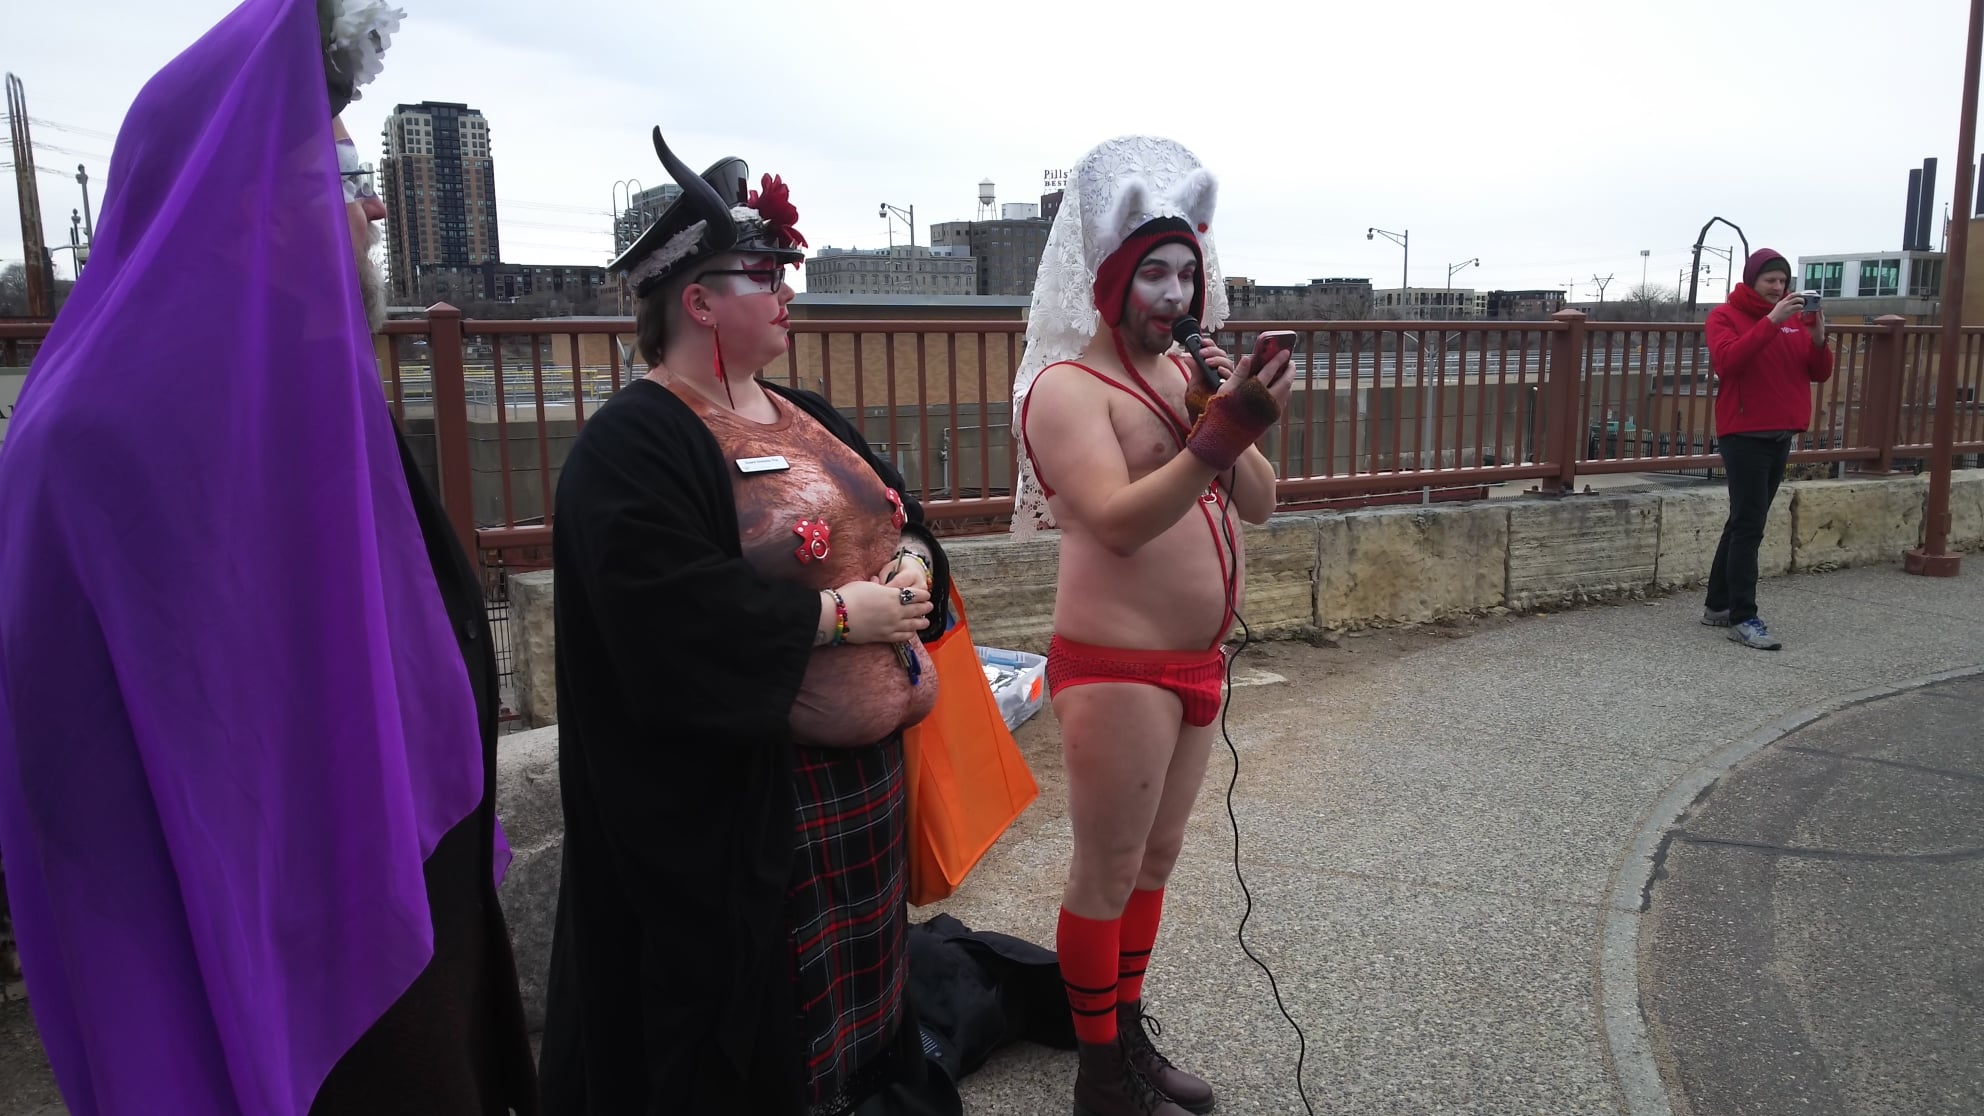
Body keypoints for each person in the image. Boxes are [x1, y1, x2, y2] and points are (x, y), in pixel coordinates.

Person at [0, 1, 540, 1112]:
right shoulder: (93, 440)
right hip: (275, 969)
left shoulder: (317, 391)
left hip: (409, 905)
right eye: (343, 176)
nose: (376, 206)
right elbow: (92, 802)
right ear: (243, 197)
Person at [539, 128, 951, 1116]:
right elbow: (665, 616)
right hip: (755, 810)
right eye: (764, 274)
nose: (786, 290)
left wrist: (913, 562)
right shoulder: (632, 443)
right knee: (774, 1028)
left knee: (864, 1003)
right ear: (697, 301)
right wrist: (836, 617)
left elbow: (900, 507)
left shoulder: (802, 409)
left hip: (864, 784)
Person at [1011, 136, 1294, 1116]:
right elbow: (1117, 522)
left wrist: (1228, 414)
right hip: (1115, 665)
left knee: (1156, 861)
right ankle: (1100, 1077)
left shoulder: (1181, 375)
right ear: (1110, 282)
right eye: (1153, 275)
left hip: (1194, 663)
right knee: (1106, 868)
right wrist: (1217, 438)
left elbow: (1259, 503)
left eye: (1186, 273)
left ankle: (1126, 1036)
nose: (1174, 295)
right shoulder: (1065, 390)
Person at [1703, 248, 1834, 650]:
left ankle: (1718, 605)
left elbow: (1818, 373)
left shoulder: (1796, 319)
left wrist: (1818, 340)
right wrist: (1772, 321)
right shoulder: (1724, 316)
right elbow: (1729, 361)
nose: (1778, 288)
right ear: (1752, 281)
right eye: (1770, 281)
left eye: (1783, 281)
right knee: (1749, 525)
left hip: (1781, 433)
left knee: (1742, 520)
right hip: (1744, 434)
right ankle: (1743, 617)